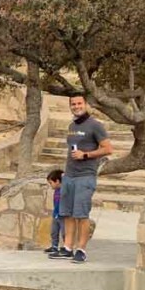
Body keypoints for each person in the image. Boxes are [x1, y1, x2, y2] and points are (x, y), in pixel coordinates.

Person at [48, 94, 113, 263]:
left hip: (85, 176)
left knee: (81, 215)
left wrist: (86, 155)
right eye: (73, 104)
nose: (76, 106)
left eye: (79, 103)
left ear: (86, 104)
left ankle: (81, 250)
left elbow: (108, 149)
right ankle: (68, 248)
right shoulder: (71, 126)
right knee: (67, 214)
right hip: (69, 176)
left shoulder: (95, 125)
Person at [44, 169, 64, 254]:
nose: (50, 185)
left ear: (57, 181)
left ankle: (66, 247)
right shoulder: (56, 191)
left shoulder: (64, 190)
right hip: (56, 214)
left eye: (51, 183)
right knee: (54, 231)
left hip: (63, 215)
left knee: (64, 232)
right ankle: (54, 246)